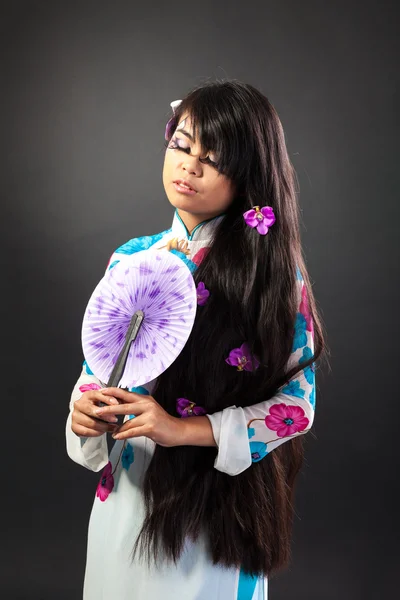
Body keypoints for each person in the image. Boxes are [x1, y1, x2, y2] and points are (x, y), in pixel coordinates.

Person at [66, 79, 326, 600]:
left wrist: (180, 429)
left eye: (216, 157)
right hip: (126, 500)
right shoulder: (132, 258)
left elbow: (296, 408)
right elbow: (97, 371)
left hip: (213, 512)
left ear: (249, 176)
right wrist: (83, 414)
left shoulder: (271, 277)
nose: (189, 165)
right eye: (182, 145)